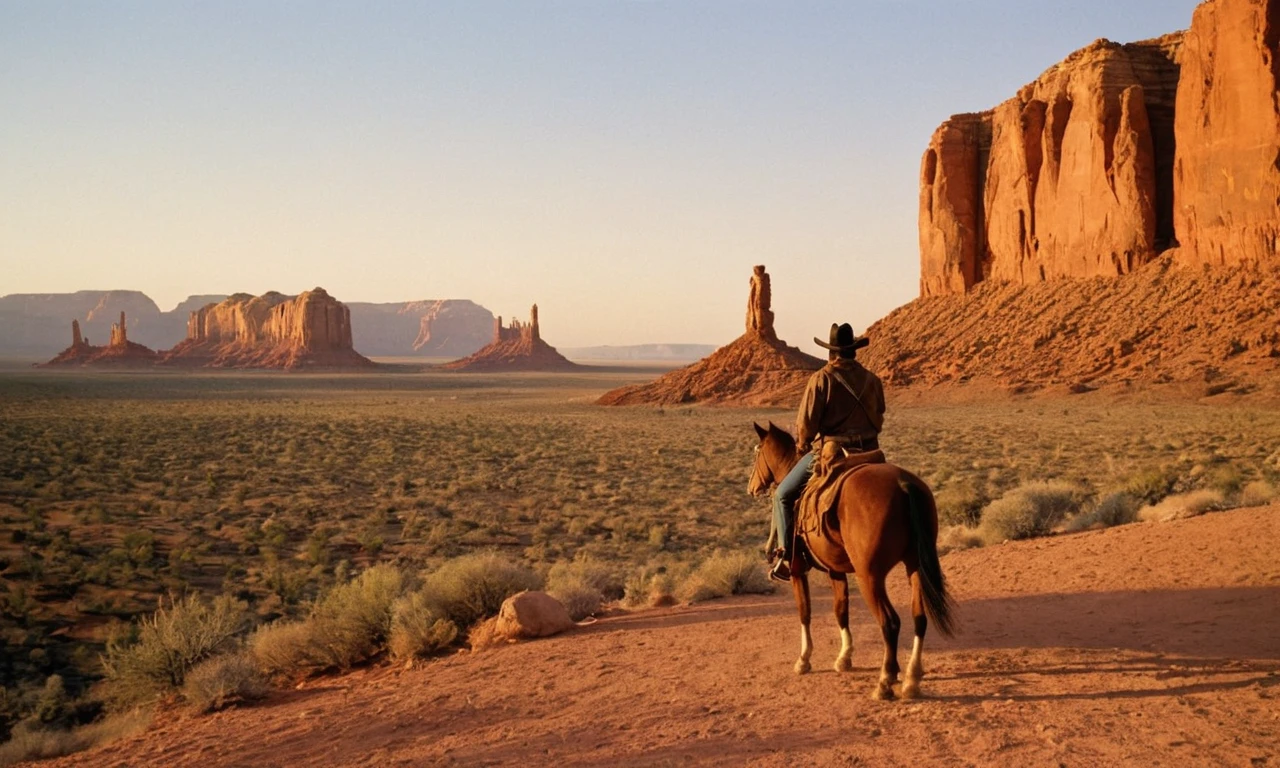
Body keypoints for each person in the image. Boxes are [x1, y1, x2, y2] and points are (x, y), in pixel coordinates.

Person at [771, 323, 885, 582]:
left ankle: (787, 558)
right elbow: (879, 419)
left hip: (834, 453)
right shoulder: (872, 380)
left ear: (832, 353)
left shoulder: (821, 378)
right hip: (871, 452)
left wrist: (802, 446)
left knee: (782, 495)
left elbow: (807, 425)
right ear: (854, 351)